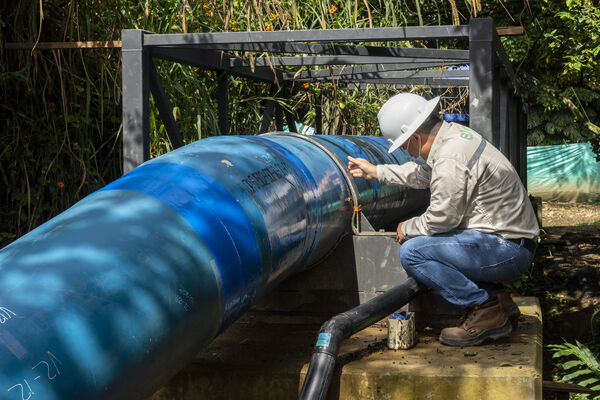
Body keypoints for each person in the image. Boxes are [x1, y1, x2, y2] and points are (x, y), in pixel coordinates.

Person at [347, 93, 539, 346]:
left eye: (405, 147)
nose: (410, 153)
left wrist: (408, 227)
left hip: (506, 249)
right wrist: (378, 171)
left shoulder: (450, 156)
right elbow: (425, 176)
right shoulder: (454, 137)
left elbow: (442, 219)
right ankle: (498, 300)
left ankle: (484, 308)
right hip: (513, 242)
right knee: (436, 246)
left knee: (414, 252)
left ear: (415, 137)